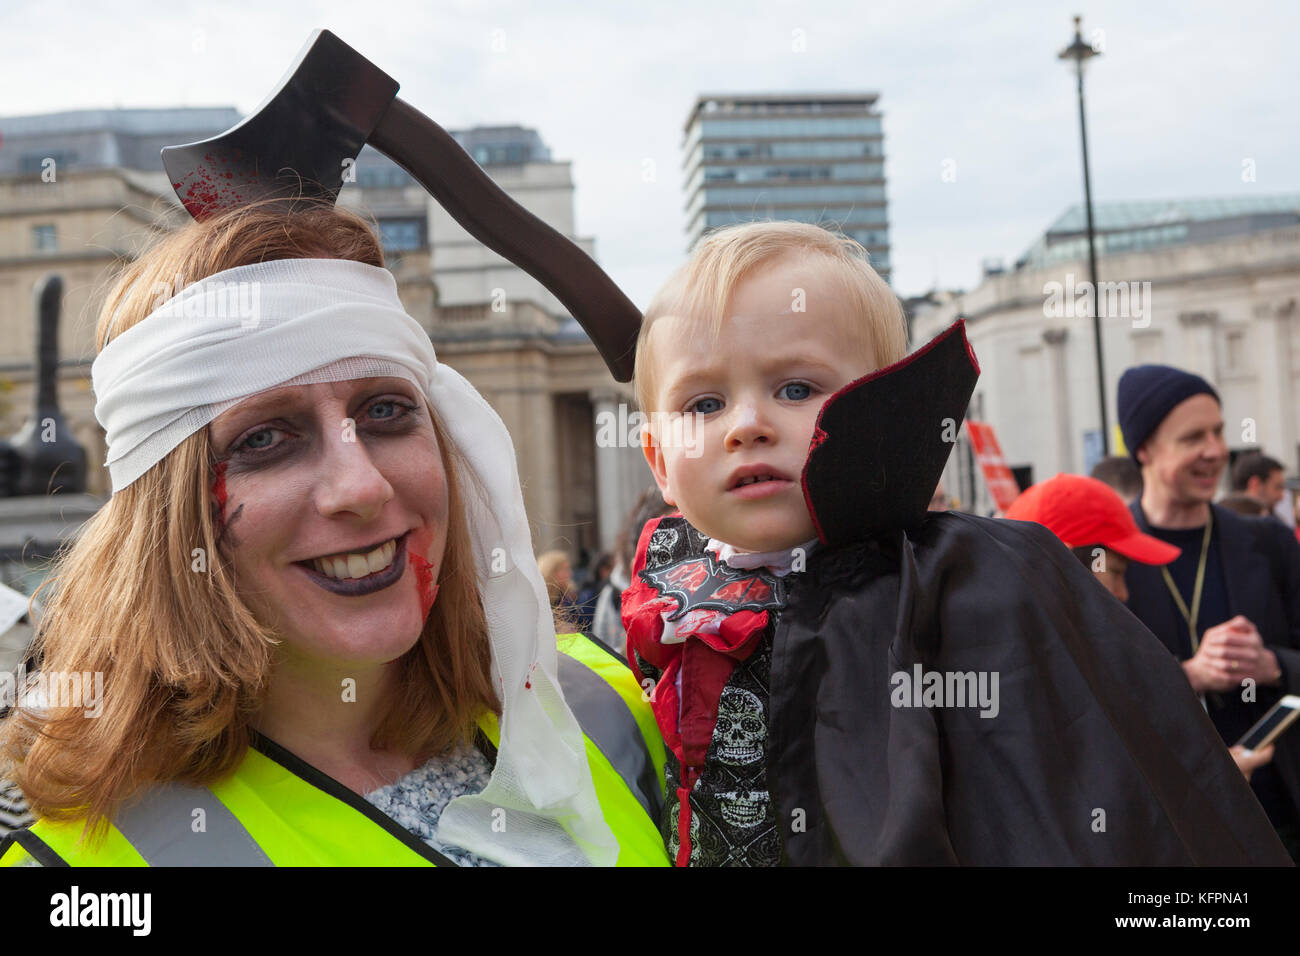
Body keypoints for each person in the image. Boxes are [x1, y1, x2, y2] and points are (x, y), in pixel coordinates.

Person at [0, 200, 666, 868]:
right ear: (170, 519)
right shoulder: (88, 868)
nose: (362, 487)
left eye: (385, 410)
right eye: (264, 438)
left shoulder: (604, 700)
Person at [624, 220, 1289, 865]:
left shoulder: (977, 582)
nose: (746, 424)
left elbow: (1080, 793)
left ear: (897, 415)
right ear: (659, 461)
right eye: (703, 404)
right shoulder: (670, 601)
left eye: (796, 388)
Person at [1117, 364, 1300, 862]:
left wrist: (1274, 665)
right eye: (1193, 437)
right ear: (1145, 450)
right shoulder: (1109, 560)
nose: (1216, 450)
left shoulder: (1269, 543)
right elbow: (1093, 696)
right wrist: (1190, 674)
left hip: (1278, 817)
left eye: (1218, 431)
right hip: (1173, 830)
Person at [1003, 472, 1275, 781]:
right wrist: (1211, 782)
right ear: (1061, 564)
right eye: (1115, 572)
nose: (1123, 593)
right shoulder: (1023, 679)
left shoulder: (1055, 658)